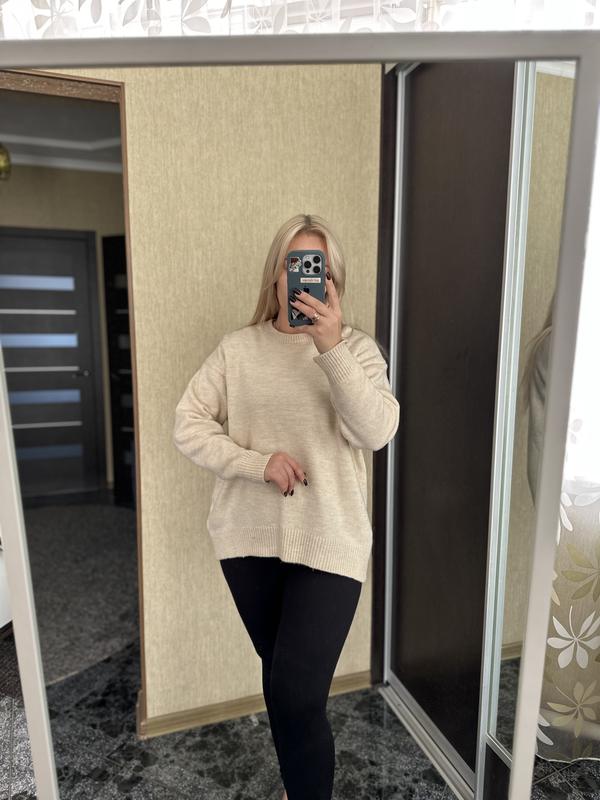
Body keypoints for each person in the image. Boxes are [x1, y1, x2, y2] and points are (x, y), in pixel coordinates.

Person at [173, 213, 400, 799]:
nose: (303, 278)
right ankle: (300, 788)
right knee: (281, 683)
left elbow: (376, 432)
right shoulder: (238, 349)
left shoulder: (357, 351)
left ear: (333, 281)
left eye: (316, 267)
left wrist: (331, 347)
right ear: (275, 275)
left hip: (331, 539)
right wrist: (257, 463)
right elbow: (188, 424)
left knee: (297, 692)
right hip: (249, 539)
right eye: (293, 264)